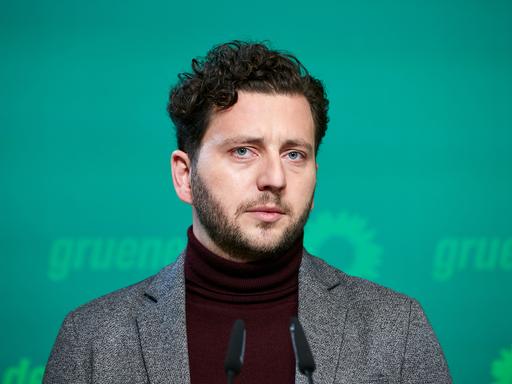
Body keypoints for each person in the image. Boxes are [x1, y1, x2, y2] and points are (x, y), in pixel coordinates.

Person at [43, 41, 452, 384]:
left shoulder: (397, 331)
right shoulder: (92, 340)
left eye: (294, 154)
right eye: (243, 151)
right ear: (185, 177)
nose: (274, 177)